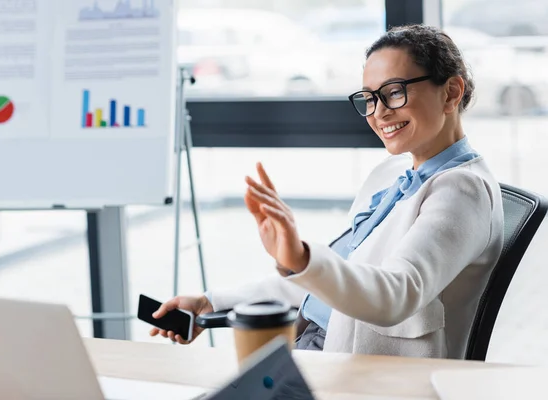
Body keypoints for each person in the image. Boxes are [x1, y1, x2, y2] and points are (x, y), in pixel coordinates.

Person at [150, 24, 504, 359]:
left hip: (371, 375)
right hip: (316, 347)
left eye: (394, 92)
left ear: (451, 92)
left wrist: (302, 258)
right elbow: (330, 282)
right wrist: (213, 302)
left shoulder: (463, 189)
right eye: (369, 98)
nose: (378, 113)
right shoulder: (391, 175)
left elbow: (395, 294)